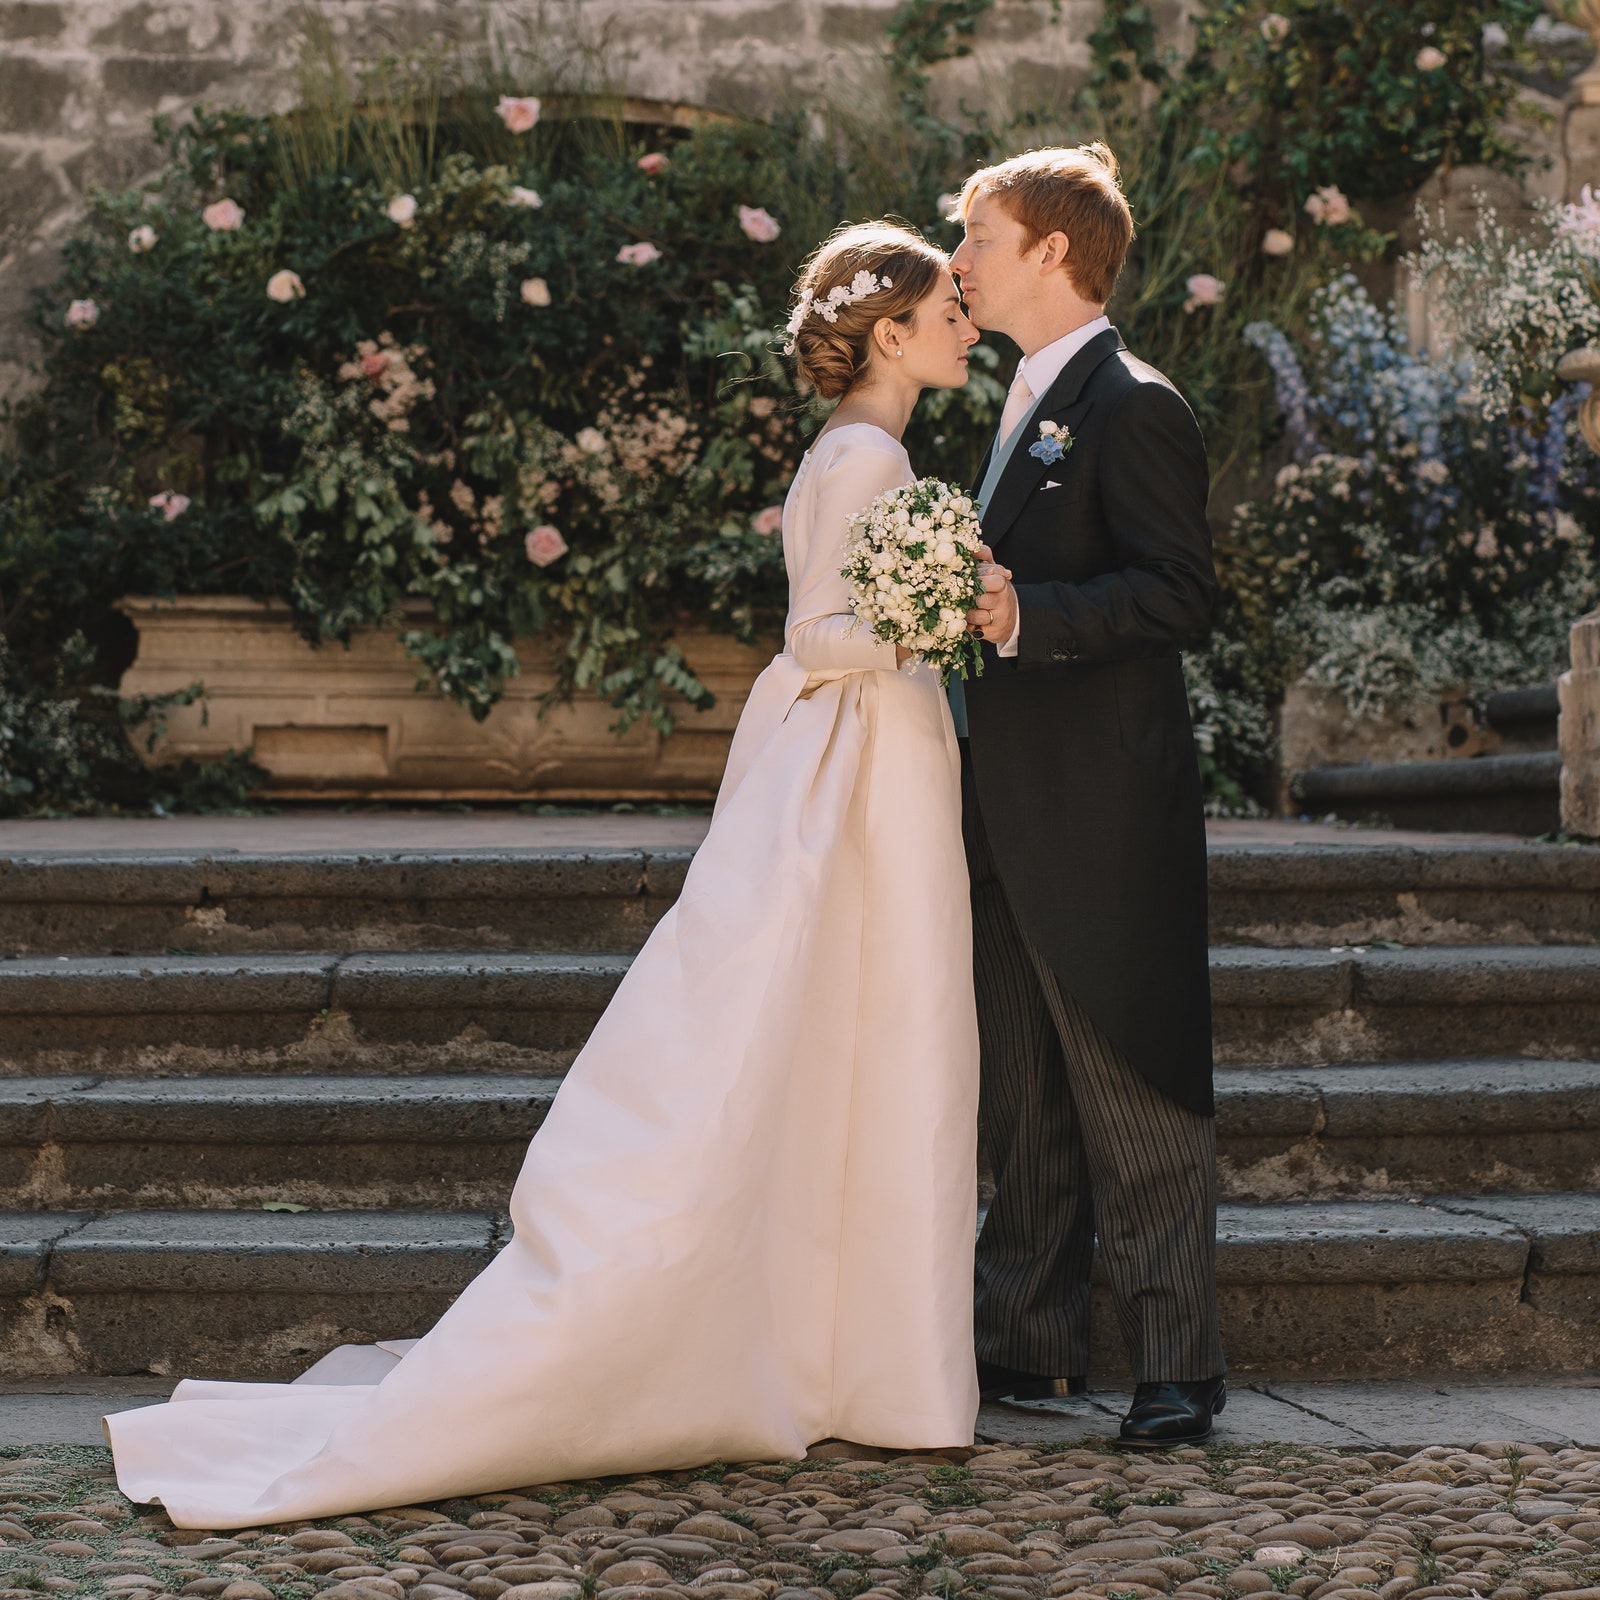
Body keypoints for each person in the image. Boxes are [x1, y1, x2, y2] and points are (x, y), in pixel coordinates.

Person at [104, 222, 984, 1527]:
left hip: (864, 751)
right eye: (949, 309)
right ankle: (850, 1359)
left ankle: (845, 1351)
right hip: (855, 755)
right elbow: (816, 630)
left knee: (856, 1041)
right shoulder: (866, 454)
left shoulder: (865, 449)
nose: (969, 325)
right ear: (892, 333)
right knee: (858, 1031)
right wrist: (944, 608)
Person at [949, 145, 1228, 1447]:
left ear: (1053, 250)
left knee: (1133, 1086)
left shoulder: (1138, 404)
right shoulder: (1016, 401)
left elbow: (1183, 596)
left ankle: (1179, 1363)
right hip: (998, 814)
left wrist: (1024, 613)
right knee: (1025, 1094)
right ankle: (1028, 1340)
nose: (960, 261)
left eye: (979, 236)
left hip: (1104, 816)